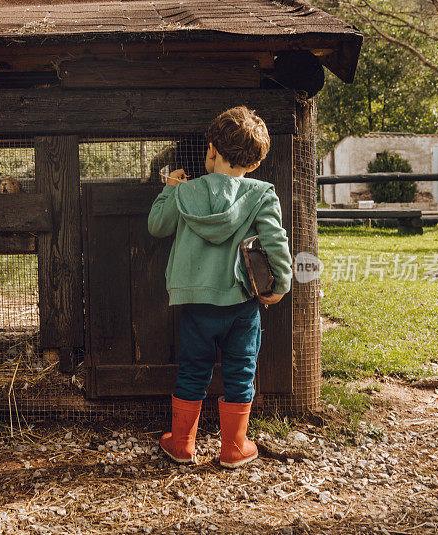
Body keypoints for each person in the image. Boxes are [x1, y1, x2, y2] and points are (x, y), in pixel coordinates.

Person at [148, 106, 293, 469]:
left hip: (196, 304)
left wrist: (169, 190)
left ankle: (181, 444)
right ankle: (234, 448)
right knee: (241, 370)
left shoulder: (185, 192)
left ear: (211, 150)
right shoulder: (262, 194)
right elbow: (276, 242)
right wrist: (281, 284)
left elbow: (157, 226)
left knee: (193, 369)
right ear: (255, 164)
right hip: (242, 303)